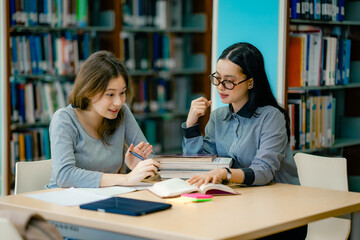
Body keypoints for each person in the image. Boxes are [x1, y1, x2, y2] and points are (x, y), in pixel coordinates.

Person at [182, 43, 307, 239]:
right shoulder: (218, 117)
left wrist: (226, 173)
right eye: (217, 78)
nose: (220, 87)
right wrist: (191, 124)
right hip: (242, 207)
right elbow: (201, 167)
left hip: (280, 214)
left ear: (250, 82)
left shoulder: (271, 117)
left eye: (229, 81)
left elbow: (263, 171)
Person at [47, 51, 159, 188]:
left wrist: (140, 166)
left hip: (103, 198)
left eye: (122, 93)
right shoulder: (64, 119)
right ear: (89, 91)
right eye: (110, 94)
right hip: (63, 200)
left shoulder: (121, 112)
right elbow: (64, 175)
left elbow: (151, 162)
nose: (118, 102)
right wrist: (124, 179)